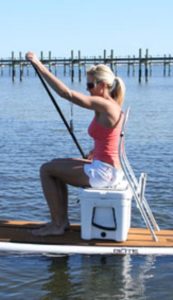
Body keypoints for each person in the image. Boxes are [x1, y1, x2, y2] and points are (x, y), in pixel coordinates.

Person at [26, 52, 126, 236]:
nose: (87, 89)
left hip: (104, 174)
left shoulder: (105, 106)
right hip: (106, 168)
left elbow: (67, 94)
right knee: (54, 165)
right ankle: (61, 221)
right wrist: (94, 152)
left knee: (46, 170)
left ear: (102, 85)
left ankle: (57, 225)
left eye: (90, 85)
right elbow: (111, 140)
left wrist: (39, 66)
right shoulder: (111, 106)